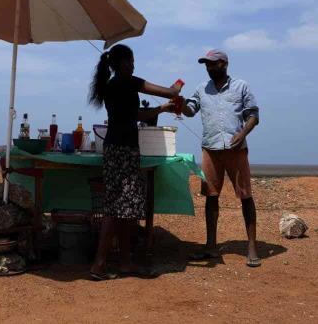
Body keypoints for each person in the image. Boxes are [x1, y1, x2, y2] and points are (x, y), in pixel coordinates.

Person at [89, 44, 181, 280]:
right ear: (121, 64)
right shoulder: (129, 82)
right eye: (130, 61)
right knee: (115, 208)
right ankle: (99, 264)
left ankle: (125, 262)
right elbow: (170, 91)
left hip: (114, 148)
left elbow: (135, 116)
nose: (133, 65)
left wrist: (162, 109)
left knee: (122, 209)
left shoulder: (110, 86)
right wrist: (178, 86)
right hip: (125, 150)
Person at [182, 49, 260, 267]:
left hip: (236, 149)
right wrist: (178, 103)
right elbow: (190, 110)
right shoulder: (201, 89)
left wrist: (242, 133)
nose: (209, 68)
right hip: (210, 148)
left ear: (224, 64)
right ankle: (210, 246)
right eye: (206, 64)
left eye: (213, 64)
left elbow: (253, 115)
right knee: (211, 196)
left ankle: (252, 246)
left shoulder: (241, 86)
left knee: (245, 196)